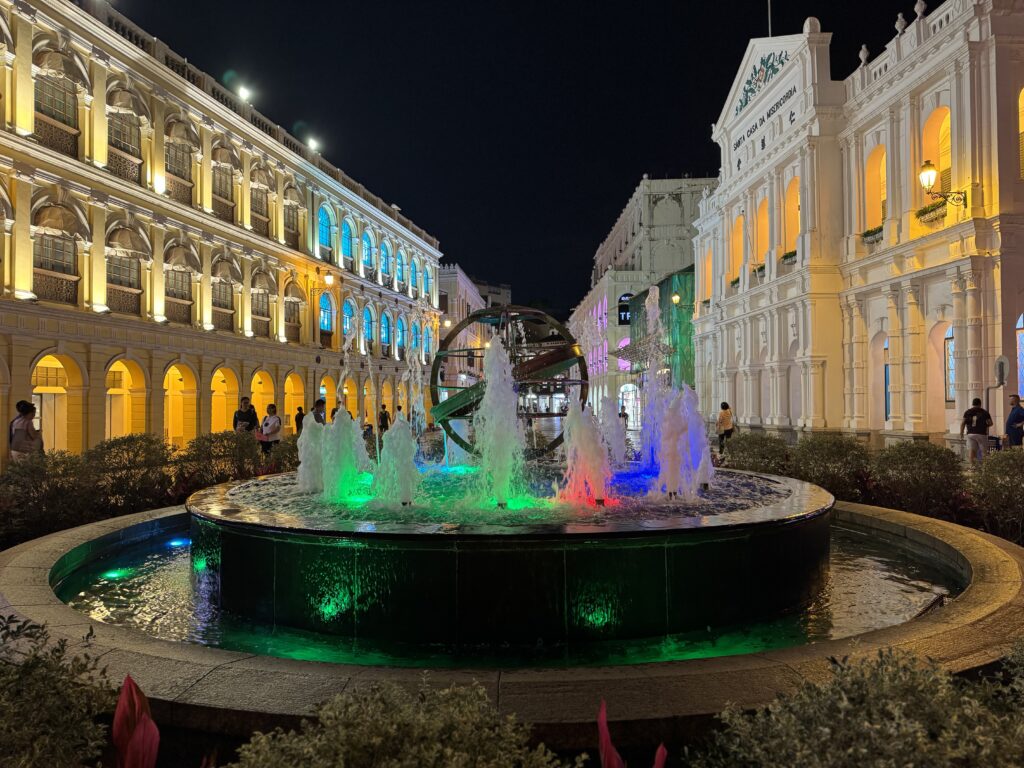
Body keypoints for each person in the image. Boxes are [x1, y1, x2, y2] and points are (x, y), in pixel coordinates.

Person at [960, 397, 993, 464]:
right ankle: (985, 468)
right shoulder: (984, 412)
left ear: (972, 404)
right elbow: (990, 423)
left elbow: (963, 423)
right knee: (984, 451)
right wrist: (985, 425)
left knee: (972, 451)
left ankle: (972, 467)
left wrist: (961, 433)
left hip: (970, 433)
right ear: (980, 404)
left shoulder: (967, 412)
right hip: (981, 433)